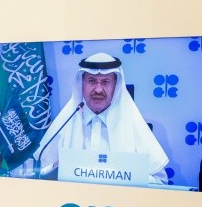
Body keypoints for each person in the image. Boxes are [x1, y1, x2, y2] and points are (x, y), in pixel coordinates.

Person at [33, 52, 169, 184]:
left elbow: (160, 181)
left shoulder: (133, 124)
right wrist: (60, 168)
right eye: (92, 81)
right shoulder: (66, 122)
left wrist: (130, 177)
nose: (98, 89)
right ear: (81, 84)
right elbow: (39, 174)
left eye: (105, 82)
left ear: (115, 86)